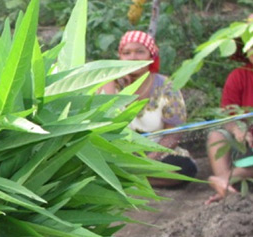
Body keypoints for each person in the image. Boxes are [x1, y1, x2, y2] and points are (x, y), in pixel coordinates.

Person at [99, 30, 197, 188]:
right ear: (120, 57)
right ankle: (133, 178)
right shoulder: (111, 84)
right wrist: (111, 78)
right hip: (118, 154)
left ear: (151, 56)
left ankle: (127, 179)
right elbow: (104, 120)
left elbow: (174, 132)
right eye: (126, 53)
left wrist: (150, 159)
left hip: (157, 153)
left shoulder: (166, 86)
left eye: (140, 52)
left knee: (185, 169)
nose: (133, 58)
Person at [205, 31, 253, 204]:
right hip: (243, 142)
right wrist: (237, 128)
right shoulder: (238, 76)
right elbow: (226, 116)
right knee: (216, 136)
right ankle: (225, 188)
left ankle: (225, 181)